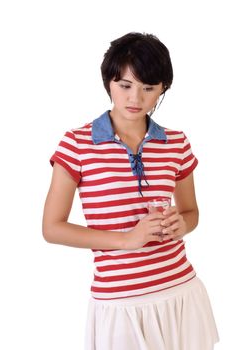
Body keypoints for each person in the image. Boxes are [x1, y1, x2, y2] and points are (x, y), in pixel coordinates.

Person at [42, 32, 219, 350]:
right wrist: (127, 240)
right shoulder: (77, 144)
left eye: (148, 88)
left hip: (180, 291)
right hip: (119, 302)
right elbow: (52, 228)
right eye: (125, 85)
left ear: (162, 88)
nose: (135, 99)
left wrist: (183, 224)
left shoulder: (176, 143)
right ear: (109, 83)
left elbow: (191, 213)